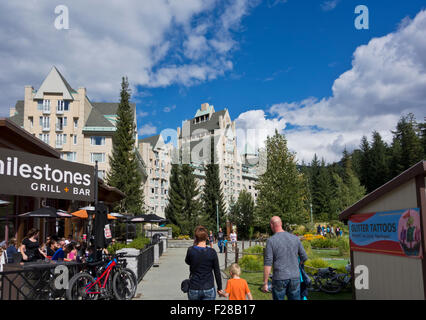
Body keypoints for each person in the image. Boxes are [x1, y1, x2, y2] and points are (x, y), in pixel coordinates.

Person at [262, 216, 308, 300]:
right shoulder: (295, 238)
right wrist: (298, 264)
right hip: (295, 277)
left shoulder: (271, 241)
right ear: (281, 224)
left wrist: (265, 283)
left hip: (279, 277)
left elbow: (268, 263)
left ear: (271, 225)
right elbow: (304, 257)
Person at [185, 226, 223, 300]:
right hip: (208, 286)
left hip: (194, 286)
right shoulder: (212, 252)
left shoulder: (191, 250)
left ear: (195, 237)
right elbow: (217, 271)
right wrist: (220, 288)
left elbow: (188, 261)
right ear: (206, 237)